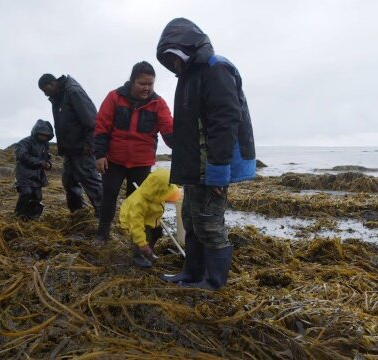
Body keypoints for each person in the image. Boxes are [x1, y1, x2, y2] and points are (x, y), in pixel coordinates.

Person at [156, 18, 256, 290]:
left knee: (210, 223)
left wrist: (219, 173)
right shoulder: (188, 77)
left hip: (213, 165)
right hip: (195, 166)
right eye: (168, 60)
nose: (173, 64)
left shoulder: (217, 68)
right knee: (191, 218)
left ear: (187, 47)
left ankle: (213, 282)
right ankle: (191, 273)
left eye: (174, 57)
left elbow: (225, 122)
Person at [93, 61, 174, 244]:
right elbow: (101, 127)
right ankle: (102, 233)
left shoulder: (158, 103)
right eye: (142, 84)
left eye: (150, 84)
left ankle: (136, 238)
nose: (147, 88)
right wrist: (100, 155)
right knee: (109, 195)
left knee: (138, 201)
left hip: (141, 162)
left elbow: (169, 131)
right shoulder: (114, 97)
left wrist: (183, 149)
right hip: (113, 160)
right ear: (132, 81)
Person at [38, 73, 102, 217]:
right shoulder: (58, 96)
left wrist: (89, 144)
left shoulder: (73, 92)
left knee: (90, 180)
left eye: (45, 89)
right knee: (68, 181)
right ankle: (78, 213)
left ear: (52, 83)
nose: (45, 93)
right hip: (69, 149)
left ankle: (103, 214)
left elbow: (92, 120)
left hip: (83, 148)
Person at [119, 168, 181, 268]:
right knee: (143, 236)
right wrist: (142, 244)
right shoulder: (138, 203)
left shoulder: (157, 193)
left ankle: (149, 250)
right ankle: (139, 256)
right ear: (158, 191)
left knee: (157, 232)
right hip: (134, 222)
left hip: (150, 218)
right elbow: (136, 227)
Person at [14, 119, 54, 220]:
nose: (44, 136)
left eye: (46, 135)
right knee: (26, 194)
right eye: (42, 134)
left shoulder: (44, 145)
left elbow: (45, 158)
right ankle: (19, 215)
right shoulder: (24, 143)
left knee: (37, 197)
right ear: (36, 132)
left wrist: (48, 164)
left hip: (37, 175)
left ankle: (32, 216)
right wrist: (41, 163)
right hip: (24, 174)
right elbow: (22, 156)